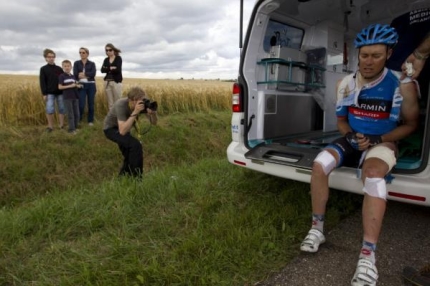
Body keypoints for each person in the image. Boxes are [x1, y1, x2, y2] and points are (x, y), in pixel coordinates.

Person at [299, 24, 420, 286]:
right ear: (358, 55)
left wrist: (379, 139)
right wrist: (351, 136)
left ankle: (367, 257)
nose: (368, 61)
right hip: (354, 139)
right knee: (320, 164)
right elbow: (342, 121)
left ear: (388, 54)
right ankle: (317, 229)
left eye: (376, 55)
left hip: (383, 142)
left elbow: (411, 125)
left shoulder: (402, 84)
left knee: (374, 176)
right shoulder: (346, 84)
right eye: (364, 55)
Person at [103, 86, 157, 178]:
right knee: (135, 145)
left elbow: (154, 122)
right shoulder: (121, 104)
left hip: (124, 127)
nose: (142, 103)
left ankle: (122, 179)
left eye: (143, 100)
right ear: (131, 100)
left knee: (130, 155)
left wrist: (152, 113)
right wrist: (135, 111)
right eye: (139, 101)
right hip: (111, 129)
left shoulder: (143, 103)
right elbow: (122, 131)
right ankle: (137, 178)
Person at [39, 48, 65, 132]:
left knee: (61, 109)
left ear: (54, 58)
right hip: (49, 93)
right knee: (49, 109)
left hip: (60, 92)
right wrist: (44, 94)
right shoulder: (43, 69)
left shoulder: (59, 69)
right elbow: (42, 82)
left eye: (53, 56)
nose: (51, 58)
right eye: (49, 57)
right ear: (45, 58)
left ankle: (61, 126)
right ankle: (50, 127)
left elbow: (63, 80)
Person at [73, 47, 97, 126]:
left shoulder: (92, 63)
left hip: (91, 85)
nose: (81, 54)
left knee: (91, 103)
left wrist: (83, 75)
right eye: (80, 52)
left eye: (83, 52)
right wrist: (86, 75)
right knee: (81, 104)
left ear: (87, 54)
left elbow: (93, 74)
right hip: (81, 85)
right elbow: (76, 75)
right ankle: (79, 119)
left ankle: (90, 120)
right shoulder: (76, 63)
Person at [58, 60, 80, 135]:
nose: (67, 67)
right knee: (70, 114)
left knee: (76, 113)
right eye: (65, 66)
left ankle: (75, 128)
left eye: (68, 66)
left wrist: (77, 85)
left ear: (71, 67)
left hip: (75, 97)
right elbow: (60, 87)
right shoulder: (62, 76)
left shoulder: (73, 76)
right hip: (67, 97)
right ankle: (71, 130)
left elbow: (75, 85)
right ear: (63, 67)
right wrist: (71, 86)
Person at [101, 43, 123, 110]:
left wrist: (107, 68)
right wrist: (111, 68)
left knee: (118, 101)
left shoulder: (118, 58)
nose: (108, 52)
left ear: (113, 50)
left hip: (116, 82)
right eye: (106, 50)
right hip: (107, 82)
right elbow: (102, 70)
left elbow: (118, 70)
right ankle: (112, 118)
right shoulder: (106, 60)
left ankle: (119, 118)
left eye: (110, 50)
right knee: (110, 103)